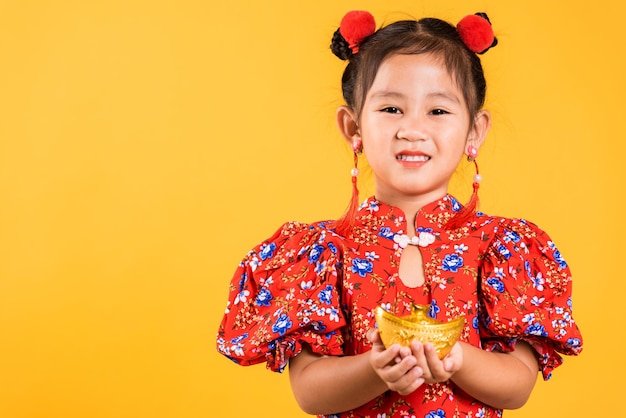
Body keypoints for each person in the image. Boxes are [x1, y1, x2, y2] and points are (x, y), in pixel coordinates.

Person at [216, 10, 583, 417]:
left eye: (438, 111)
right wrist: (375, 370)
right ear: (353, 127)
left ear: (474, 131)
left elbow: (516, 386)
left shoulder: (504, 247)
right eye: (391, 109)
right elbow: (309, 391)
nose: (412, 129)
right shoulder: (320, 252)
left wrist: (455, 357)